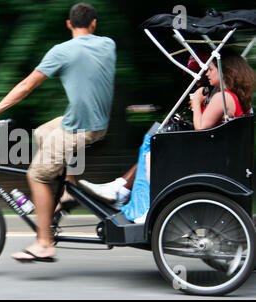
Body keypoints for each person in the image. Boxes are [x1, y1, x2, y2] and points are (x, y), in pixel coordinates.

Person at [0, 3, 116, 262]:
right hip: (98, 123)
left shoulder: (61, 51)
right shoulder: (108, 44)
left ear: (69, 24)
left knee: (36, 175)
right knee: (41, 132)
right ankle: (69, 189)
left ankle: (44, 243)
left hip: (79, 127)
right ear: (94, 23)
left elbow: (27, 85)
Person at [79, 48, 255, 223]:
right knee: (153, 141)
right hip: (220, 155)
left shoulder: (222, 97)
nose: (207, 74)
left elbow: (201, 128)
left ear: (226, 71)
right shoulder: (235, 98)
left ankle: (134, 202)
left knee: (153, 146)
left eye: (211, 69)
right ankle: (121, 190)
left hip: (209, 157)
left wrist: (195, 103)